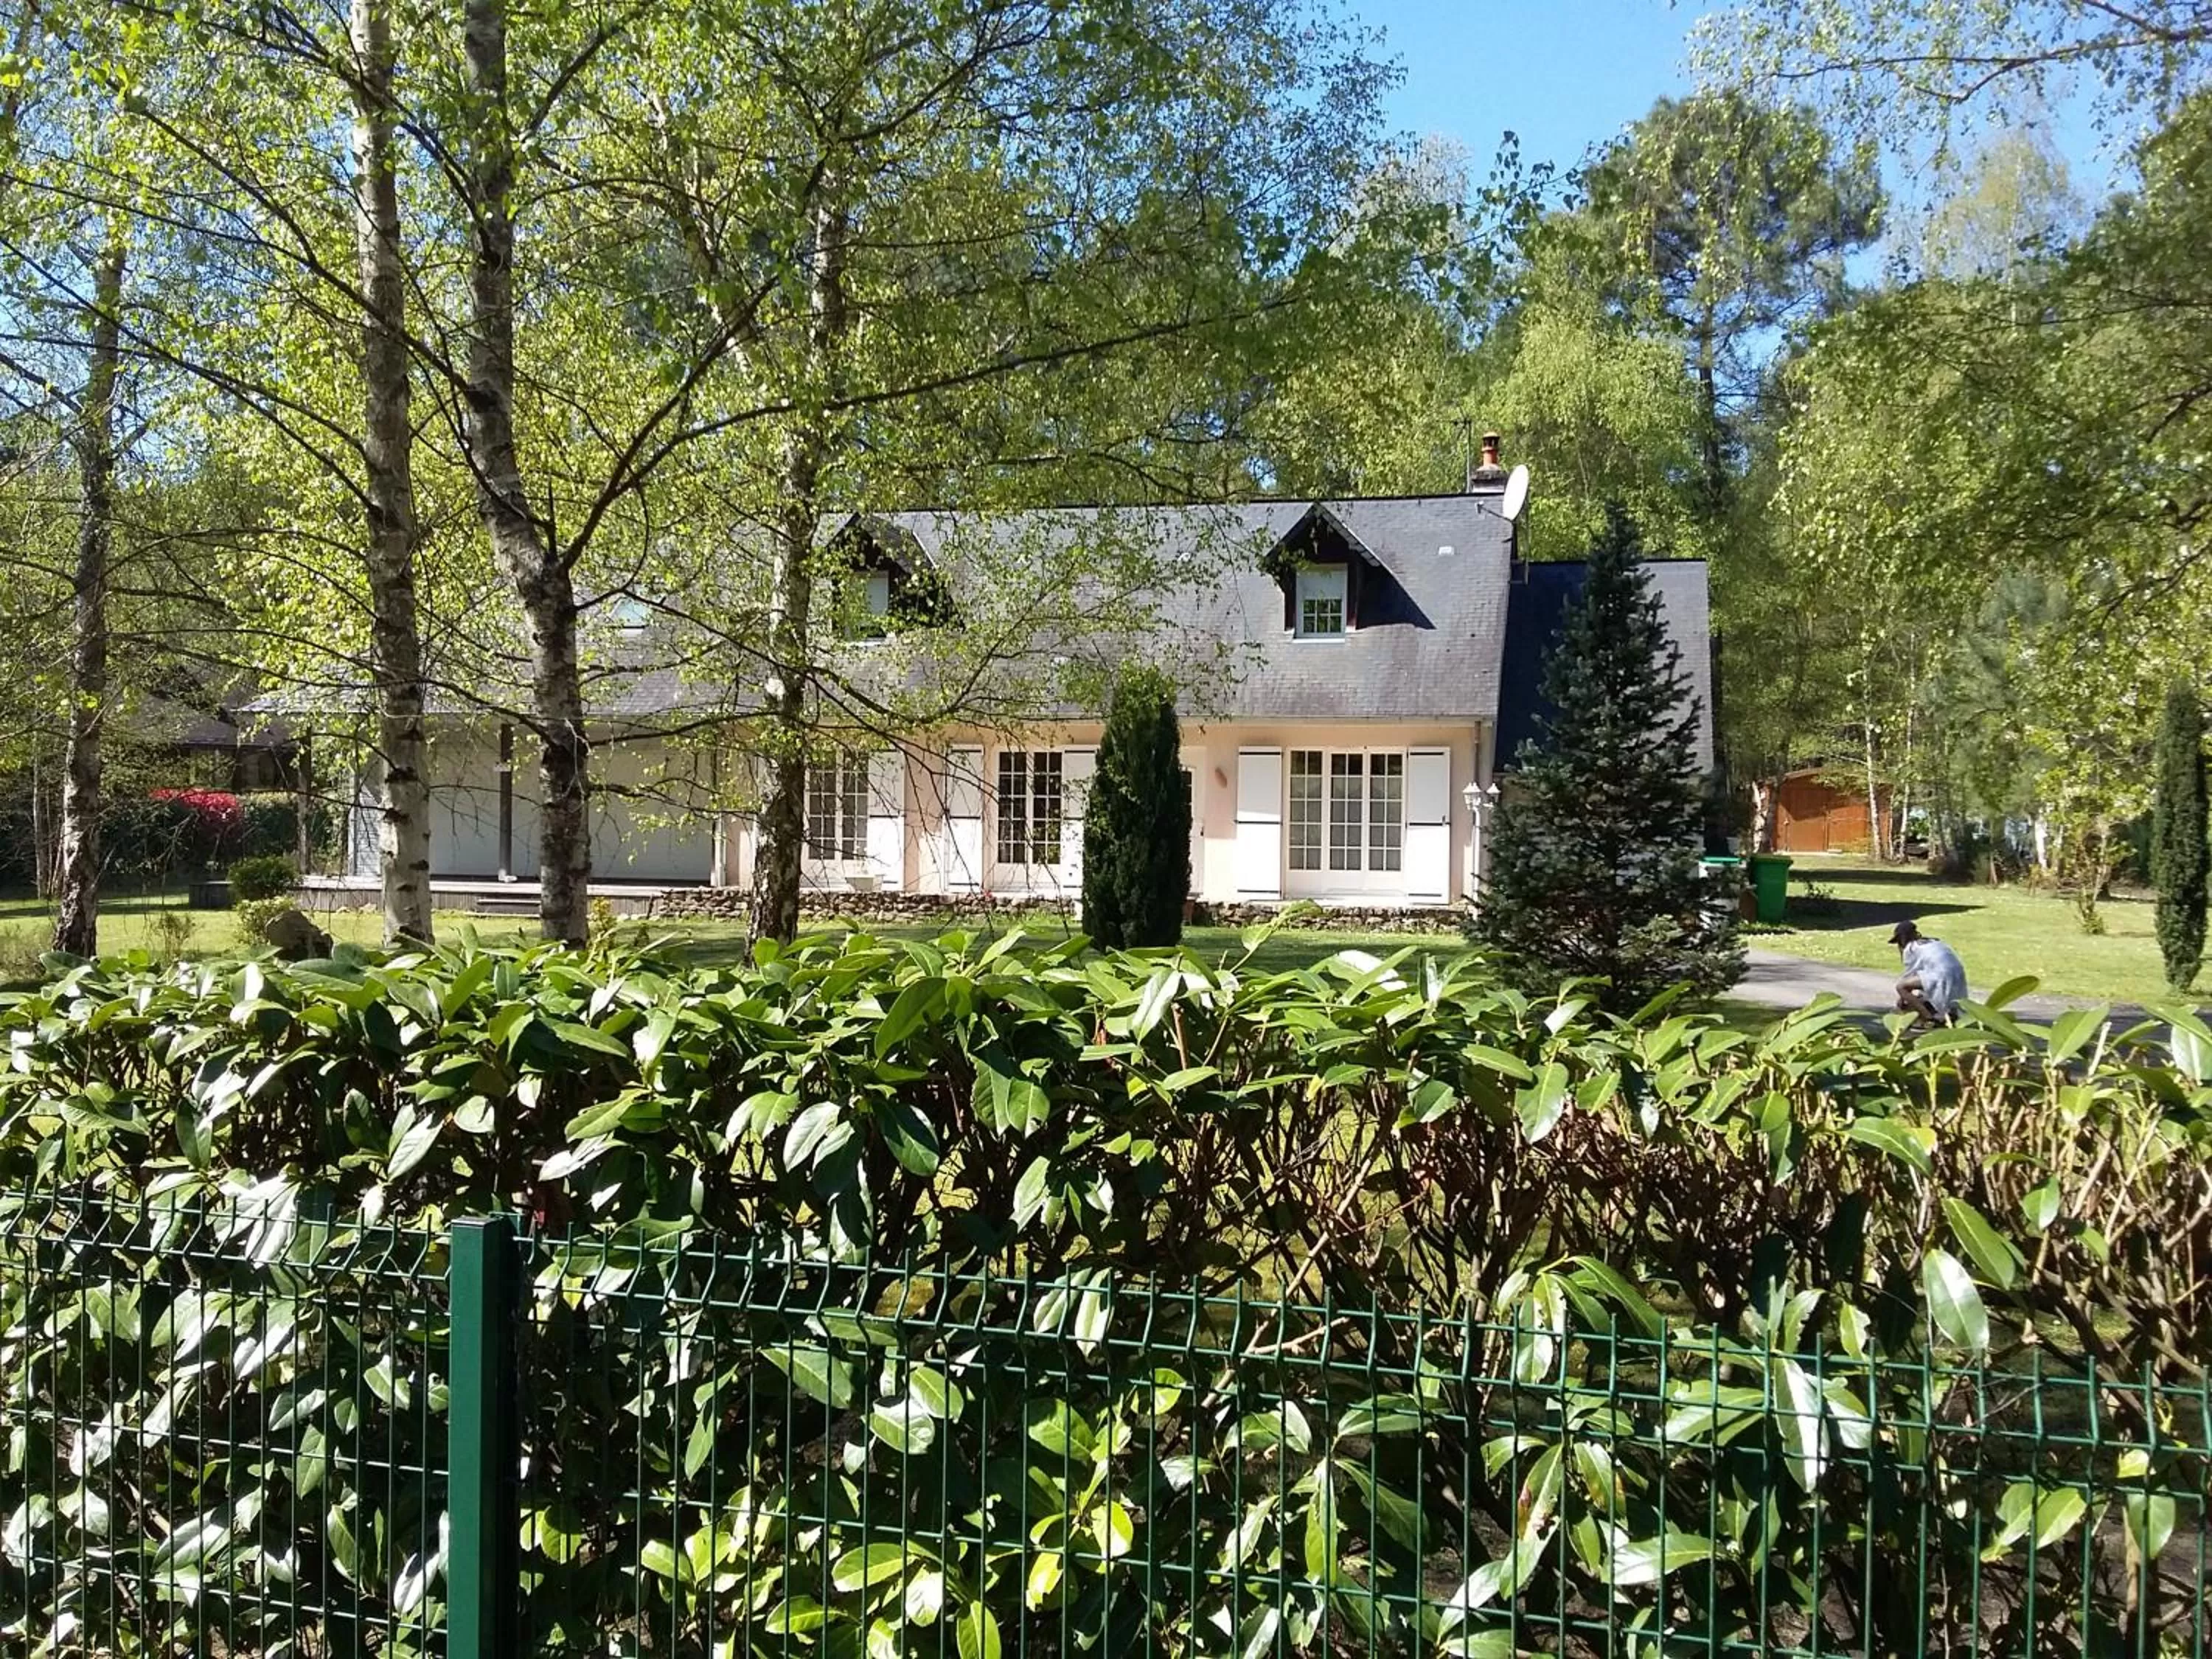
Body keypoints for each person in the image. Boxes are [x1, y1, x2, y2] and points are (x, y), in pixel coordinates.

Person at [1889, 920, 1966, 1026]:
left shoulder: (1911, 948)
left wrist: (1902, 1001)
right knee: (1925, 994)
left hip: (1942, 974)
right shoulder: (1933, 941)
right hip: (1957, 973)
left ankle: (1930, 1018)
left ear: (1903, 938)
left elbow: (1908, 976)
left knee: (1901, 987)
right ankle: (1948, 1013)